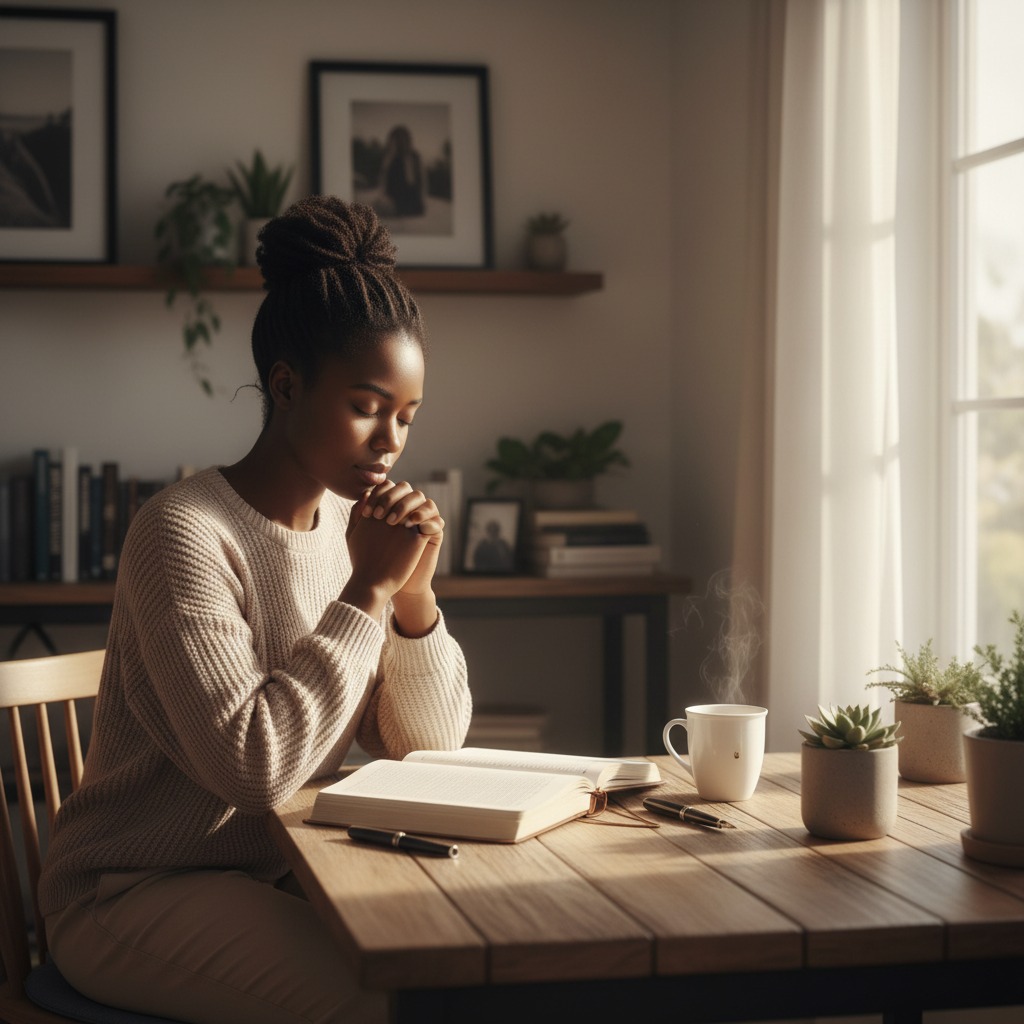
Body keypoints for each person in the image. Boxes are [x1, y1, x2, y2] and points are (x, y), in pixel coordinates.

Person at [38, 196, 472, 1024]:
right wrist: (366, 593)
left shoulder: (353, 528)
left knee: (457, 966)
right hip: (131, 895)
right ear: (286, 385)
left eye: (407, 418)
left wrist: (414, 597)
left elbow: (426, 747)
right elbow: (255, 768)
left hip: (285, 871)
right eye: (366, 405)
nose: (390, 442)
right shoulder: (183, 533)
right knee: (384, 1003)